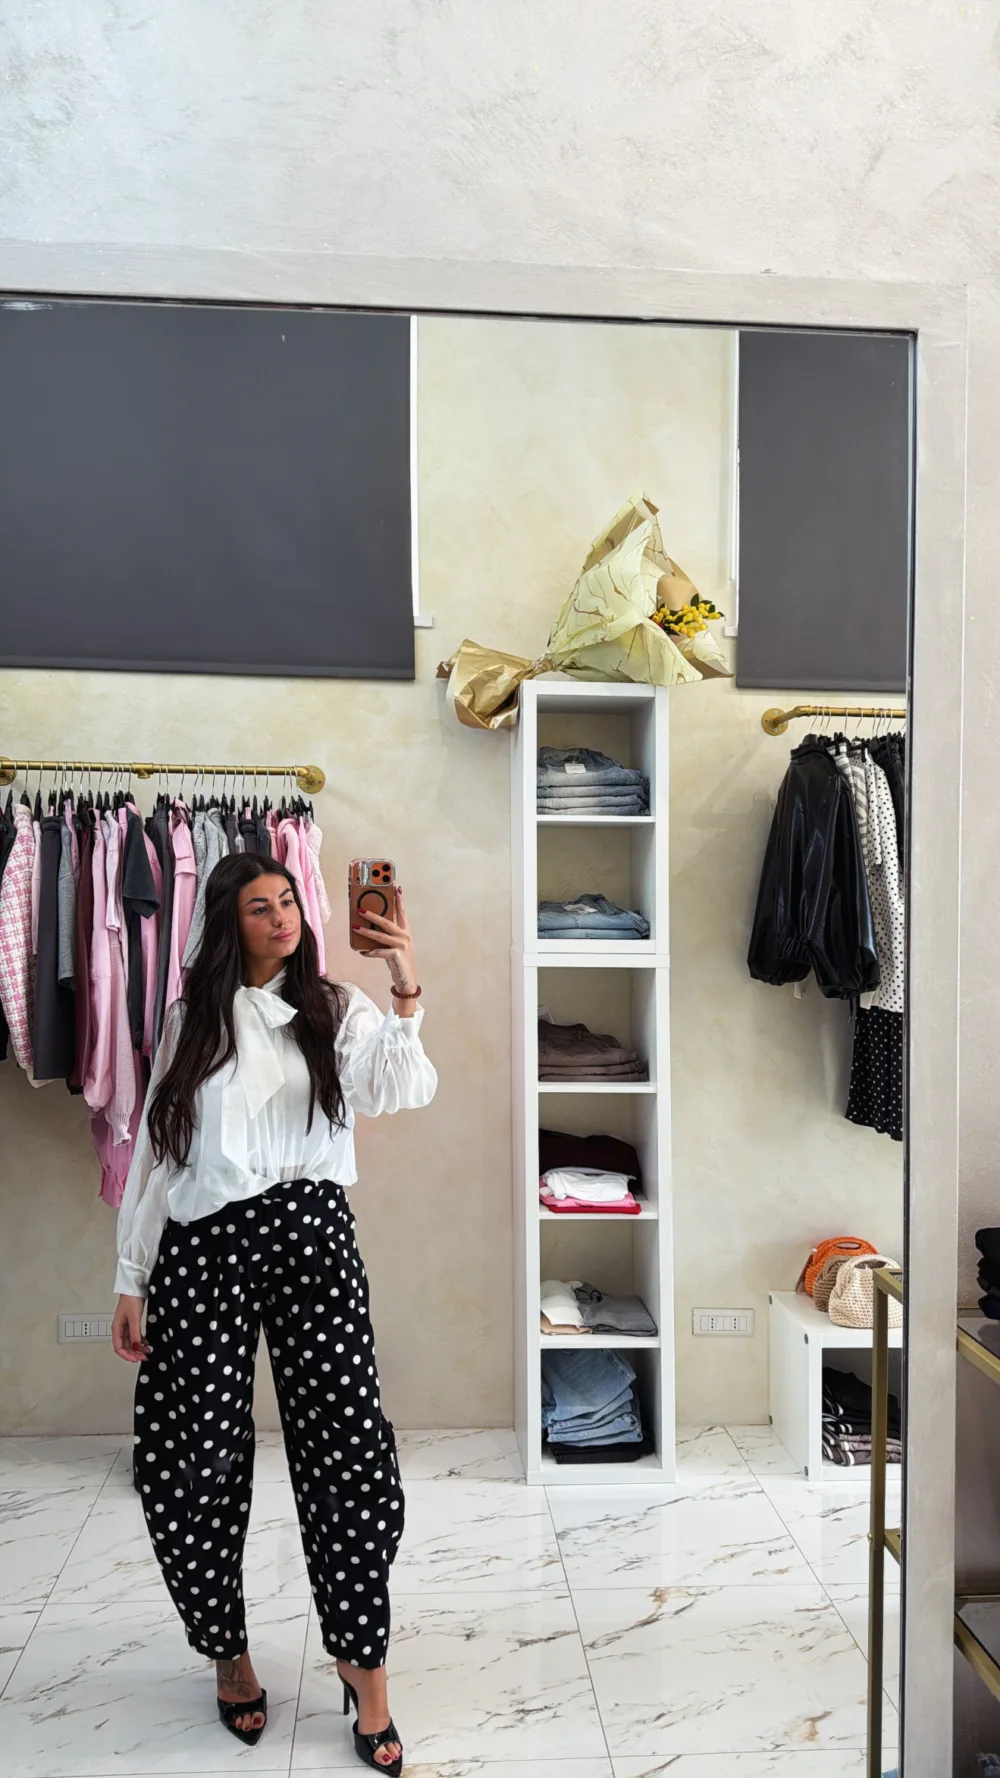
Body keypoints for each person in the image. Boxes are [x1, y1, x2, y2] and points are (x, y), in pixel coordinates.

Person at [111, 852, 436, 1773]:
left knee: (349, 1454)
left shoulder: (337, 1007)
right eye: (260, 907)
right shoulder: (190, 1021)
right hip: (203, 1246)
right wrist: (131, 1276)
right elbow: (158, 1154)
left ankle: (364, 1667)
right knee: (191, 1458)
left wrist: (404, 980)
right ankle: (229, 1653)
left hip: (312, 1239)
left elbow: (397, 1089)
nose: (283, 916)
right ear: (229, 923)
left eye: (289, 900)